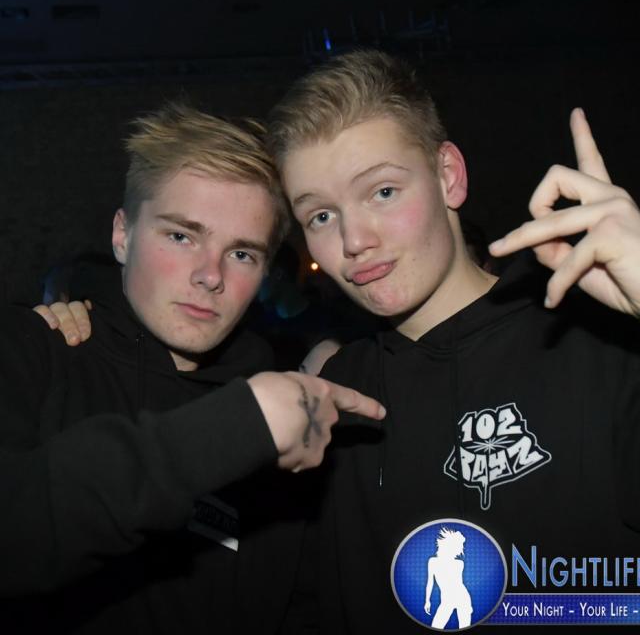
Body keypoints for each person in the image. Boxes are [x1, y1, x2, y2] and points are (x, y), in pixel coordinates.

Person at [263, 50, 640, 632]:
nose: (354, 240)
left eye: (382, 192)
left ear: (448, 176)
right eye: (320, 217)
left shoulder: (597, 343)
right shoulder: (333, 395)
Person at [0, 101, 384, 634]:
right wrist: (237, 427)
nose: (210, 275)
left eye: (242, 254)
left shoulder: (292, 416)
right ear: (122, 235)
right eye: (182, 236)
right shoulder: (31, 351)